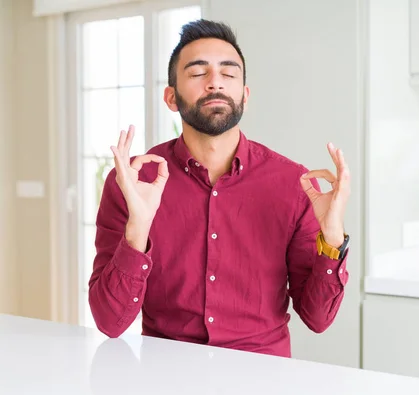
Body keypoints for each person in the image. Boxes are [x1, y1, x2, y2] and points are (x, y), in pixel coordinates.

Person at [88, 19, 351, 358]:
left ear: (244, 94)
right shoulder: (134, 182)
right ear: (171, 97)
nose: (215, 83)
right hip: (165, 378)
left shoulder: (294, 183)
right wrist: (138, 228)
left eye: (229, 75)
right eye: (198, 74)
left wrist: (332, 236)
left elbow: (318, 319)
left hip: (263, 379)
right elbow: (110, 322)